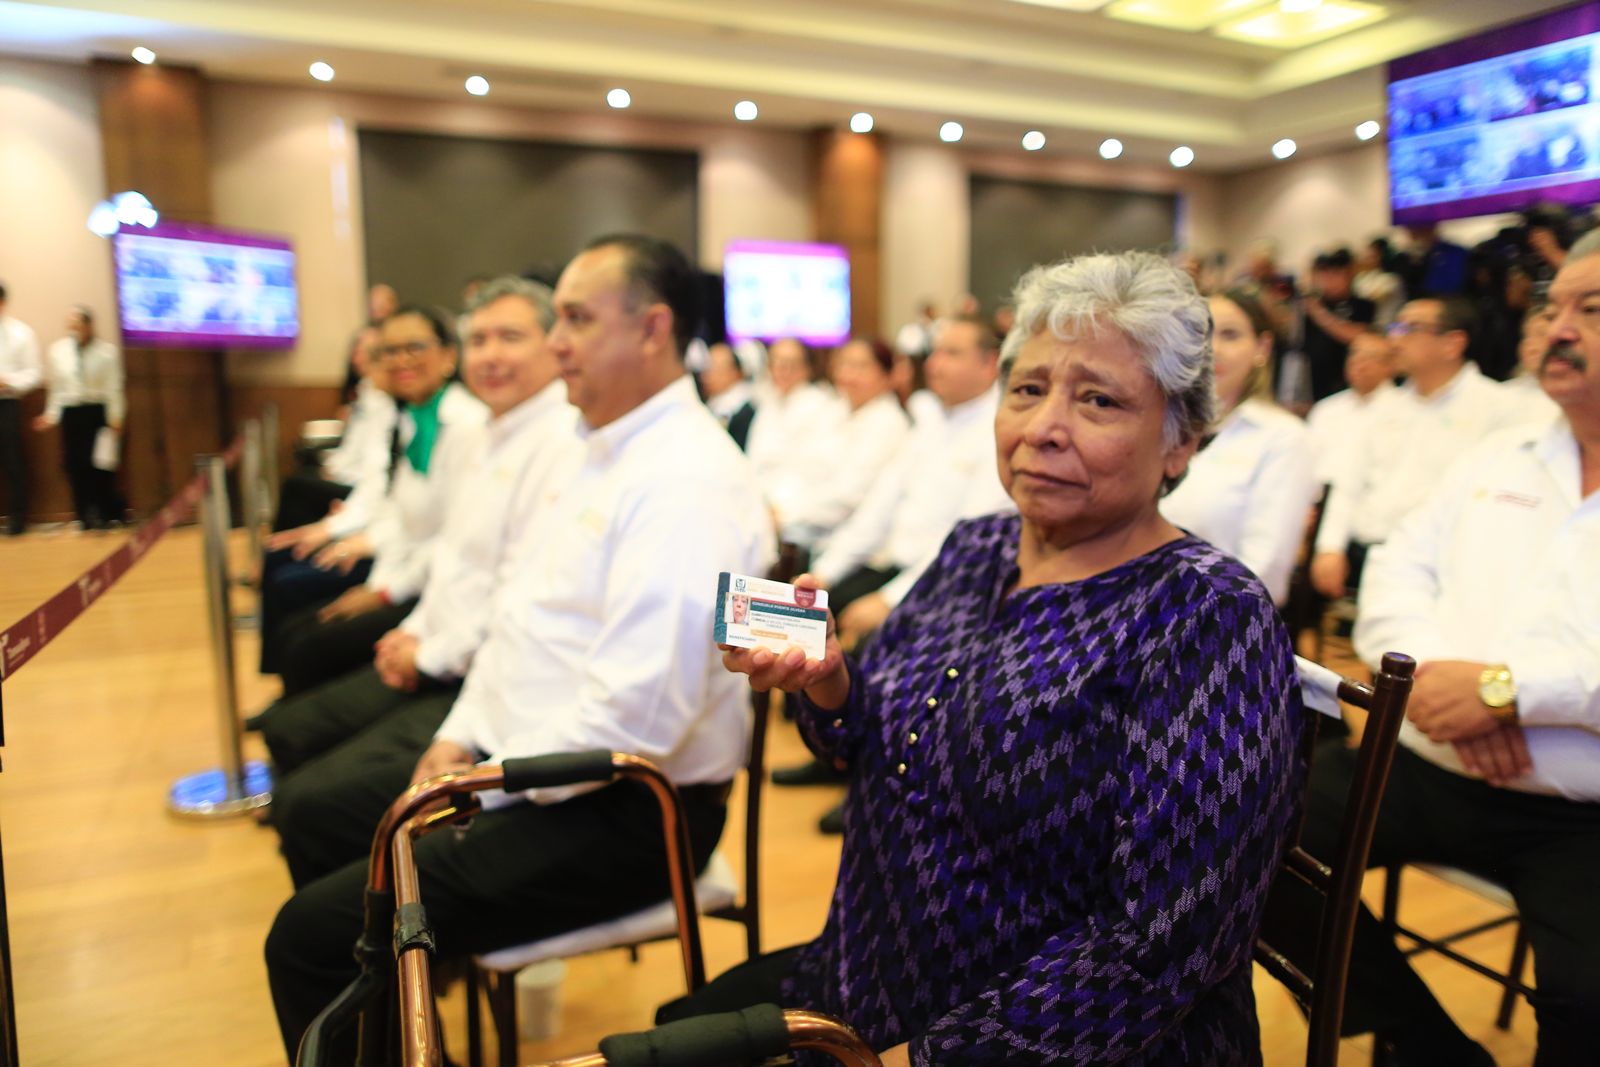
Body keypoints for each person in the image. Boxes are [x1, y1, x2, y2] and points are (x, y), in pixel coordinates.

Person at [665, 251, 1307, 1065]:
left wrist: (927, 1056)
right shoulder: (979, 546)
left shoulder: (1205, 615)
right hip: (864, 980)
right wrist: (829, 681)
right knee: (664, 1030)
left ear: (1180, 441)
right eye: (1028, 389)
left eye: (1099, 400)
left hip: (1049, 1040)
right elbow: (860, 742)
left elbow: (1164, 943)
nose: (1043, 428)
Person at [263, 234, 773, 1062]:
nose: (555, 341)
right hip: (530, 753)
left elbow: (635, 721)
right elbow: (515, 619)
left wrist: (474, 789)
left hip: (628, 810)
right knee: (317, 819)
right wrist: (459, 733)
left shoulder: (687, 480)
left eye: (575, 319)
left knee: (310, 936)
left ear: (653, 329)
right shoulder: (594, 444)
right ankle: (413, 1027)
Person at [1275, 239, 1600, 1067]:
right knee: (1239, 833)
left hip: (1581, 811)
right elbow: (1397, 573)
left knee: (1589, 1006)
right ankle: (1431, 1052)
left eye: (1590, 310)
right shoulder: (1499, 455)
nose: (1558, 329)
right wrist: (1431, 682)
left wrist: (1508, 693)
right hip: (1426, 759)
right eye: (1552, 308)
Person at [251, 275, 578, 775]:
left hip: (466, 651)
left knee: (308, 668)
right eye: (479, 340)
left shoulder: (518, 434)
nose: (491, 355)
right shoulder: (479, 429)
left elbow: (503, 589)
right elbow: (426, 529)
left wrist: (400, 615)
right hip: (437, 619)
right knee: (299, 653)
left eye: (510, 338)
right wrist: (412, 627)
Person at [258, 306, 485, 685]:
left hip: (431, 583)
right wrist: (355, 542)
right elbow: (396, 507)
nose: (401, 360)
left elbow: (453, 539)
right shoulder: (416, 418)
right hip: (403, 564)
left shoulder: (465, 425)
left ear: (449, 355)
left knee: (307, 640)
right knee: (298, 626)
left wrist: (382, 591)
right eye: (390, 351)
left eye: (414, 347)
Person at [1311, 297, 1510, 600]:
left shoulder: (1496, 408)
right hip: (1364, 553)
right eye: (1395, 327)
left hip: (1439, 567)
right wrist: (1330, 547)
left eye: (1410, 328)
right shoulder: (1385, 405)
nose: (1395, 339)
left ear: (1452, 344)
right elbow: (1350, 481)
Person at [1161, 289, 1317, 605]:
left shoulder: (1283, 438)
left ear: (1262, 348)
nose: (1212, 349)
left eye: (1230, 335)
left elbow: (1265, 574)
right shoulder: (1159, 423)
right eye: (1201, 334)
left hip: (1211, 616)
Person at [770, 337, 909, 549]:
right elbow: (798, 465)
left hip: (842, 543)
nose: (848, 375)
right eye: (843, 364)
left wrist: (786, 514)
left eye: (860, 367)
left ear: (885, 374)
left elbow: (849, 495)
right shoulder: (833, 409)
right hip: (796, 525)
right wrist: (777, 505)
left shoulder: (889, 423)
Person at [31, 306, 125, 529]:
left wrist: (116, 417)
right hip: (72, 413)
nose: (74, 328)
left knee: (101, 465)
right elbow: (57, 389)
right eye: (70, 325)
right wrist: (51, 416)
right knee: (75, 466)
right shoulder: (58, 352)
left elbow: (114, 387)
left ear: (88, 326)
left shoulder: (106, 352)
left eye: (78, 324)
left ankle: (104, 515)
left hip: (98, 412)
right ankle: (83, 516)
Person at [1304, 331, 1397, 485]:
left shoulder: (1402, 409)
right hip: (1321, 493)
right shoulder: (1326, 409)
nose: (1358, 362)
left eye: (1370, 356)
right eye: (1354, 353)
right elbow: (1307, 462)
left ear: (1391, 365)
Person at [1301, 248, 1378, 403]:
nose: (1330, 280)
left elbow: (1358, 336)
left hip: (1347, 381)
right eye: (1326, 274)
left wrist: (1319, 314)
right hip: (1315, 383)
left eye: (1336, 273)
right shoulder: (1309, 305)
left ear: (1349, 274)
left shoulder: (1363, 305)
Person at [0, 282, 41, 535]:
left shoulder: (21, 333)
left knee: (12, 462)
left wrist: (8, 381)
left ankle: (17, 520)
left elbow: (34, 374)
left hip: (7, 404)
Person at [698, 341, 758, 449]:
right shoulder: (710, 403)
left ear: (735, 372)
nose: (704, 376)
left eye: (712, 368)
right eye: (705, 368)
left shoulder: (746, 412)